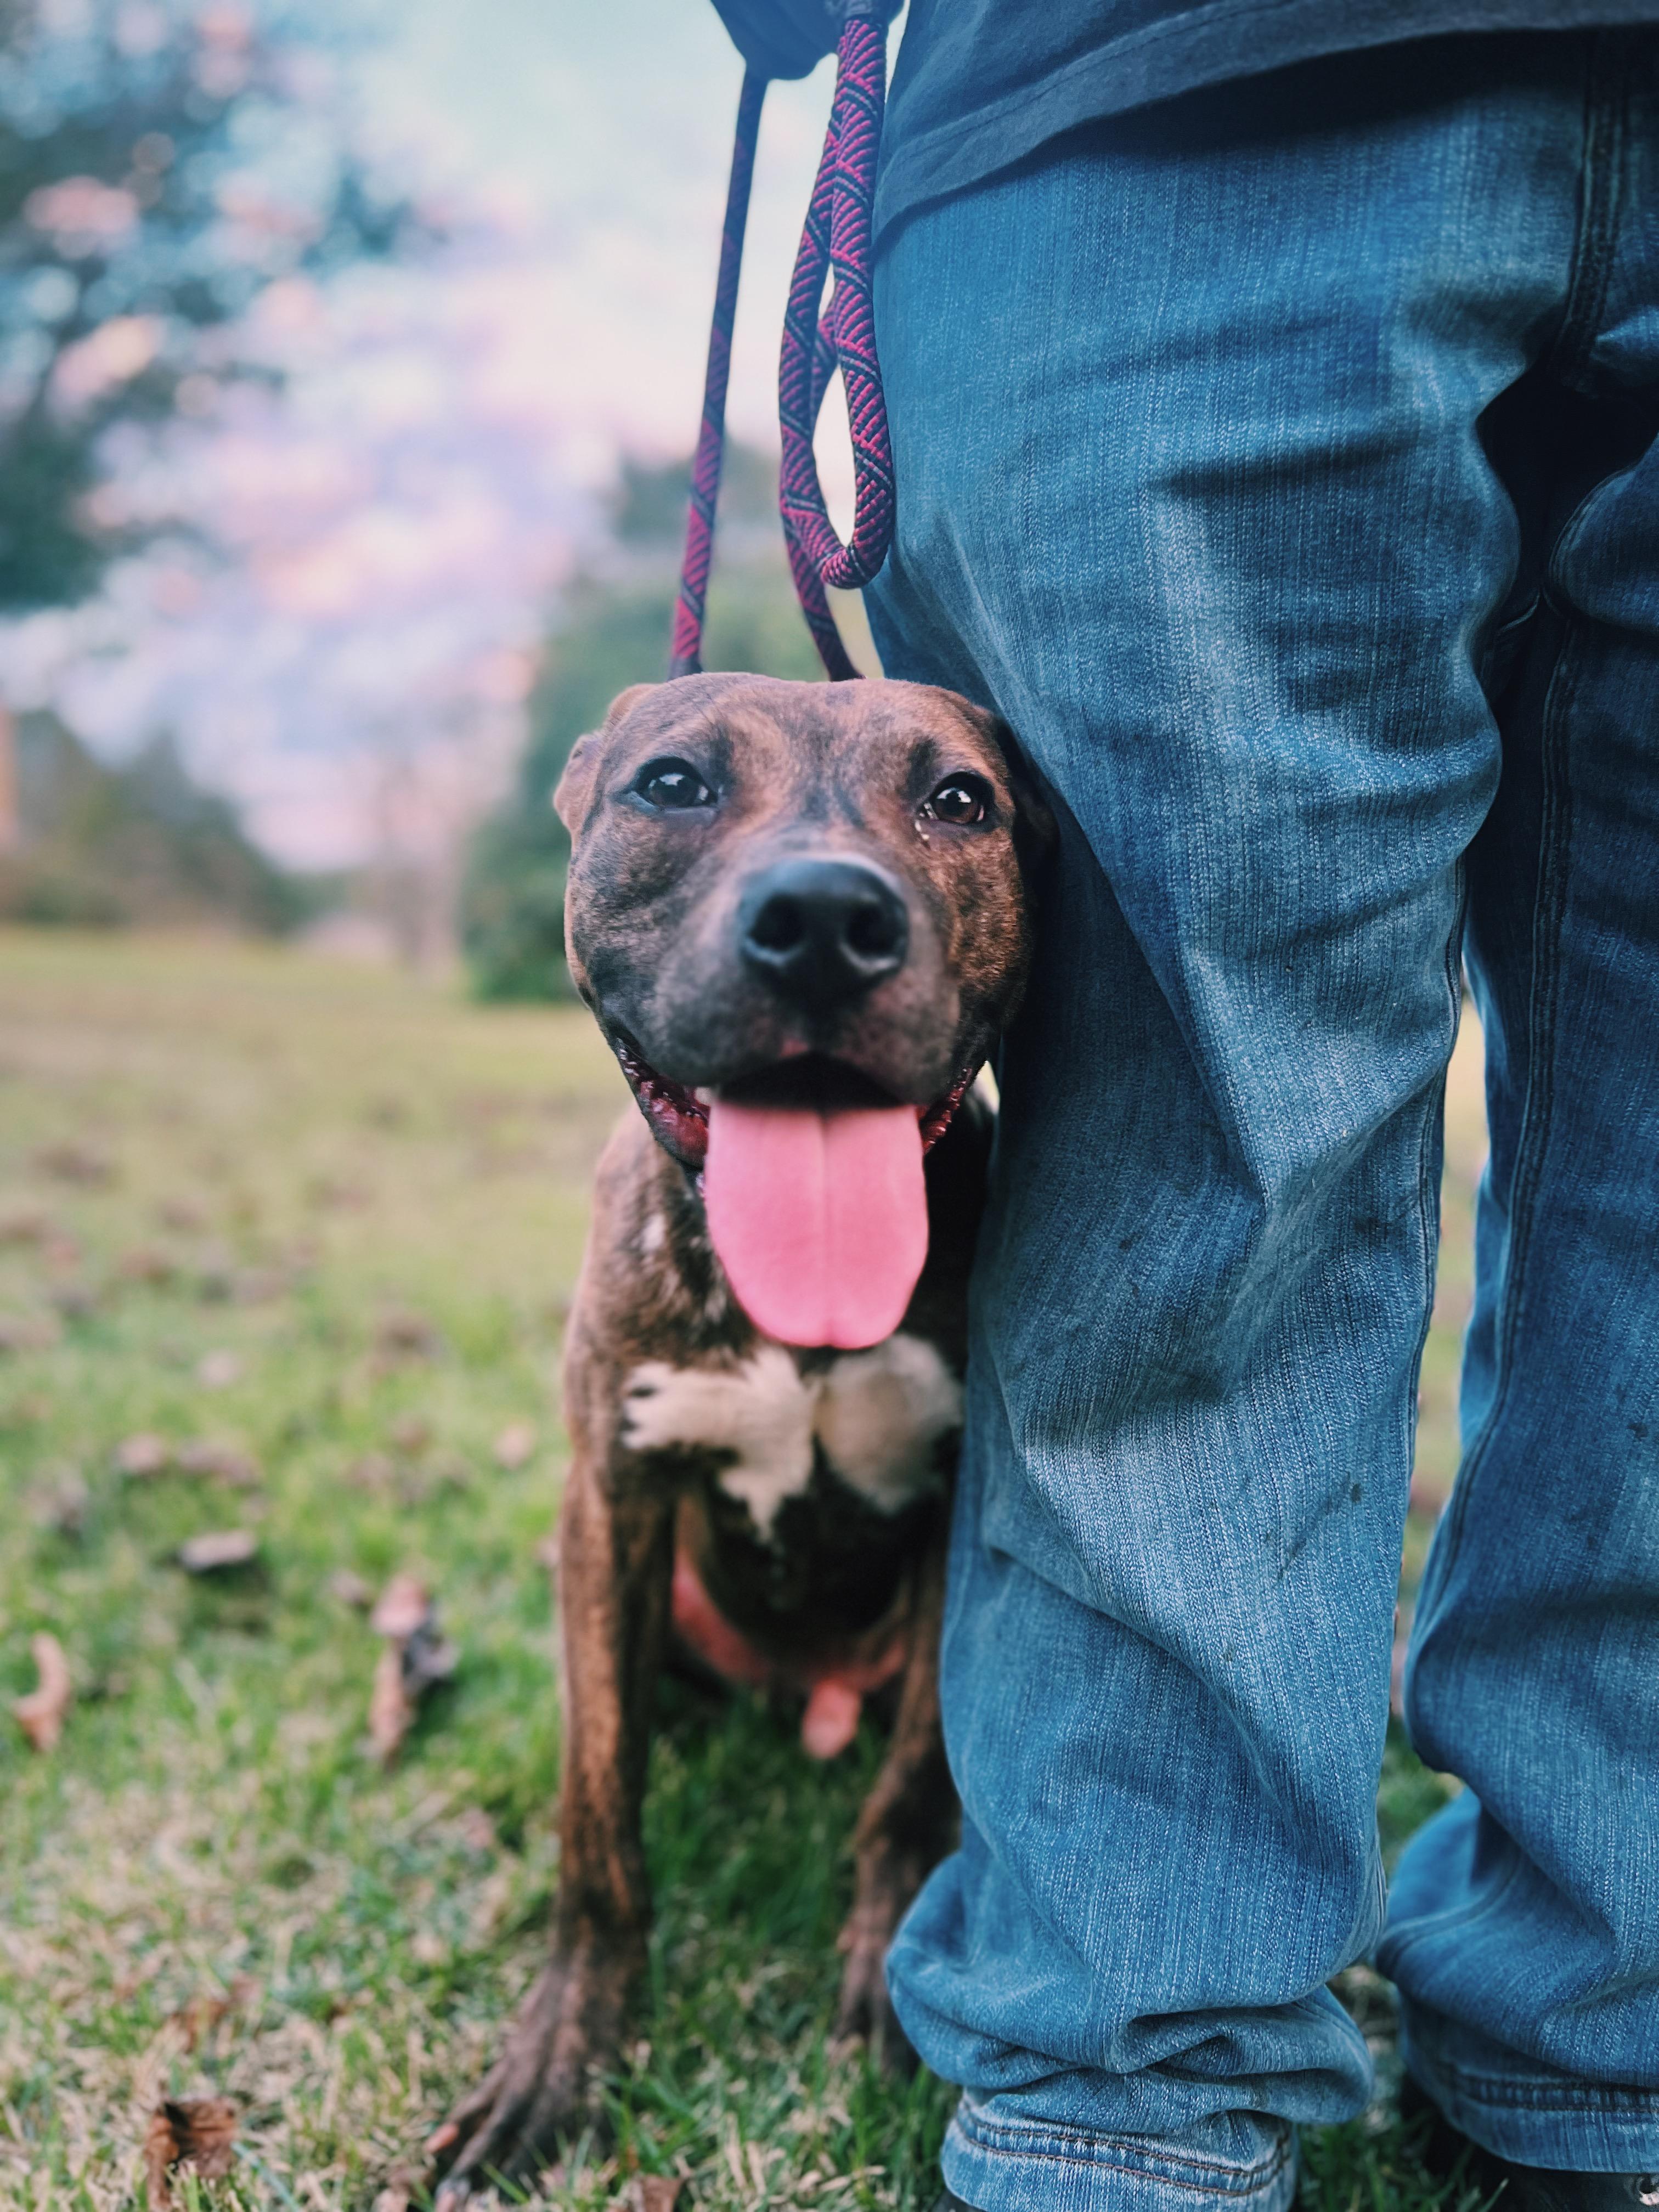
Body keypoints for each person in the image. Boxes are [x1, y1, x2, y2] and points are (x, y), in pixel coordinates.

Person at [706, 5, 1659, 2211]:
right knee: (1196, 1139)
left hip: (1156, 131)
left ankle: (1509, 2042)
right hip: (1169, 97)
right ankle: (1180, 2082)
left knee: (1204, 1152)